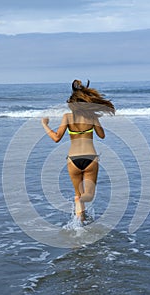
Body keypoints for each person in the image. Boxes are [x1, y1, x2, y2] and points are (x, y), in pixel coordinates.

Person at [41, 79, 115, 221]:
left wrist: (44, 125)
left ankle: (79, 228)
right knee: (88, 196)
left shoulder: (67, 117)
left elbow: (56, 138)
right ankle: (81, 206)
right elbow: (102, 135)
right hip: (90, 159)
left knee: (78, 194)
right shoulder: (92, 117)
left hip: (73, 160)